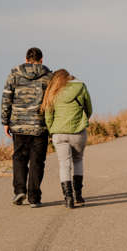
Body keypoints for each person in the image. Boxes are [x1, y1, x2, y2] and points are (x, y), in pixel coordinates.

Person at [1, 47, 52, 208]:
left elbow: (6, 98)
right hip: (40, 125)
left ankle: (19, 190)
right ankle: (34, 197)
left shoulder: (14, 74)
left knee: (19, 158)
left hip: (19, 124)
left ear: (26, 59)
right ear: (42, 60)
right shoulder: (49, 77)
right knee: (37, 161)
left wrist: (5, 121)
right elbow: (52, 102)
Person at [41, 69, 93, 208]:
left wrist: (52, 131)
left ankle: (68, 198)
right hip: (78, 132)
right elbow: (89, 108)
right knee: (78, 161)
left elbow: (48, 115)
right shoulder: (81, 87)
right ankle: (78, 196)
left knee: (64, 164)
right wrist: (83, 120)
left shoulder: (53, 90)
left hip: (59, 133)